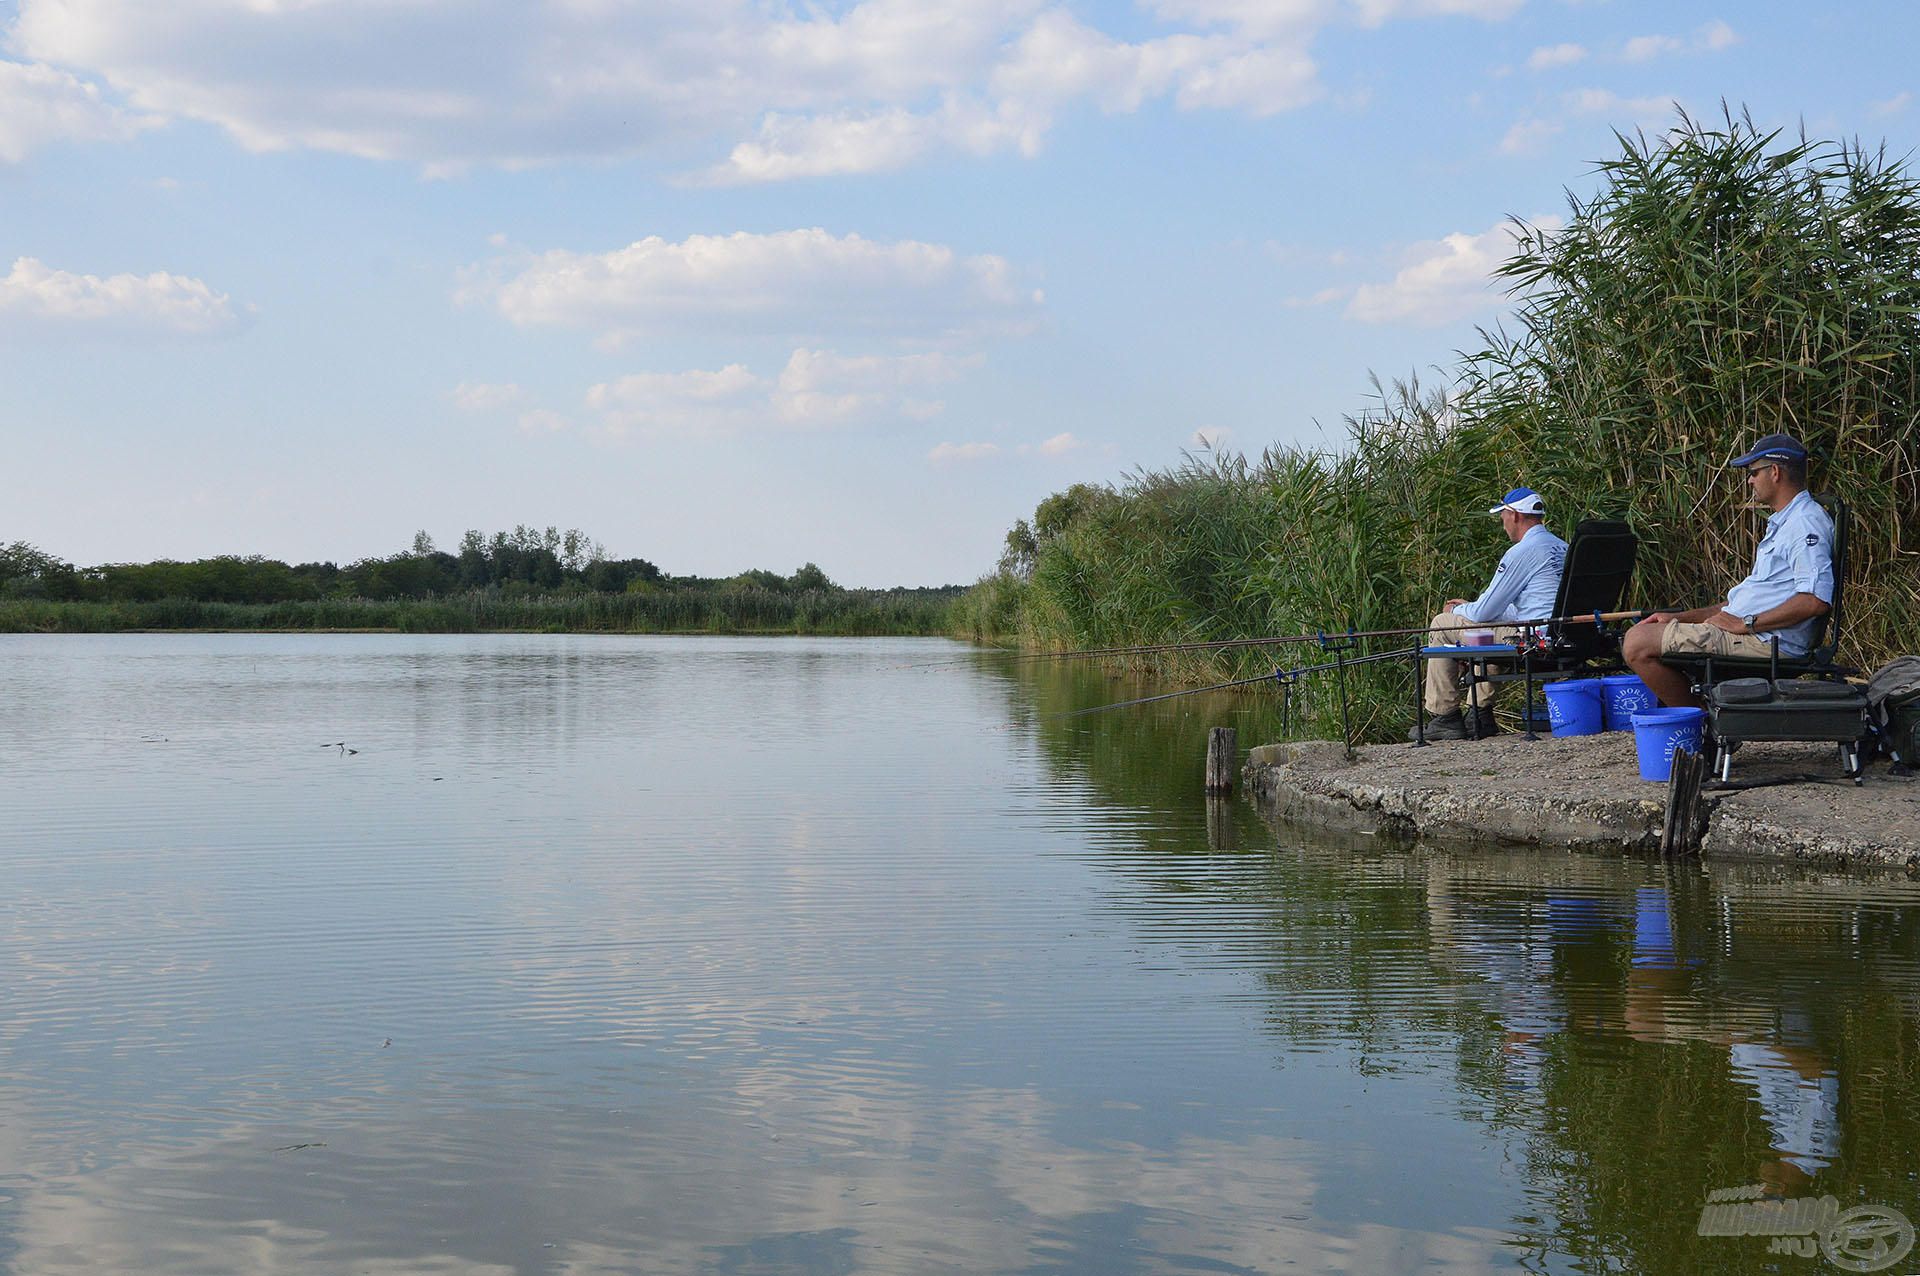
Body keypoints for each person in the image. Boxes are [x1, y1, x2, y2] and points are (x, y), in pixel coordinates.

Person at [1624, 434, 1834, 709]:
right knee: (1649, 628)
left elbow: (1814, 601)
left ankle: (1701, 724)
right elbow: (1737, 606)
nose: (1750, 480)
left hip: (1768, 643)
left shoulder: (1805, 524)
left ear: (1774, 472)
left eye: (1753, 472)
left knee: (1636, 643)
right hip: (1753, 634)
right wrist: (1681, 618)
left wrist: (1746, 623)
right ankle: (1708, 718)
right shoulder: (1786, 522)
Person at [1415, 486, 1569, 740]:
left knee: (1443, 624)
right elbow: (1528, 604)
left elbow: (1485, 610)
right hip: (1561, 634)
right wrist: (1471, 608)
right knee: (1485, 626)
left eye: (1503, 515)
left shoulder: (1522, 552)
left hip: (1532, 640)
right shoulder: (1562, 547)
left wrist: (1457, 609)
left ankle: (1445, 716)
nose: (1502, 522)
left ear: (1515, 515)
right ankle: (1478, 715)